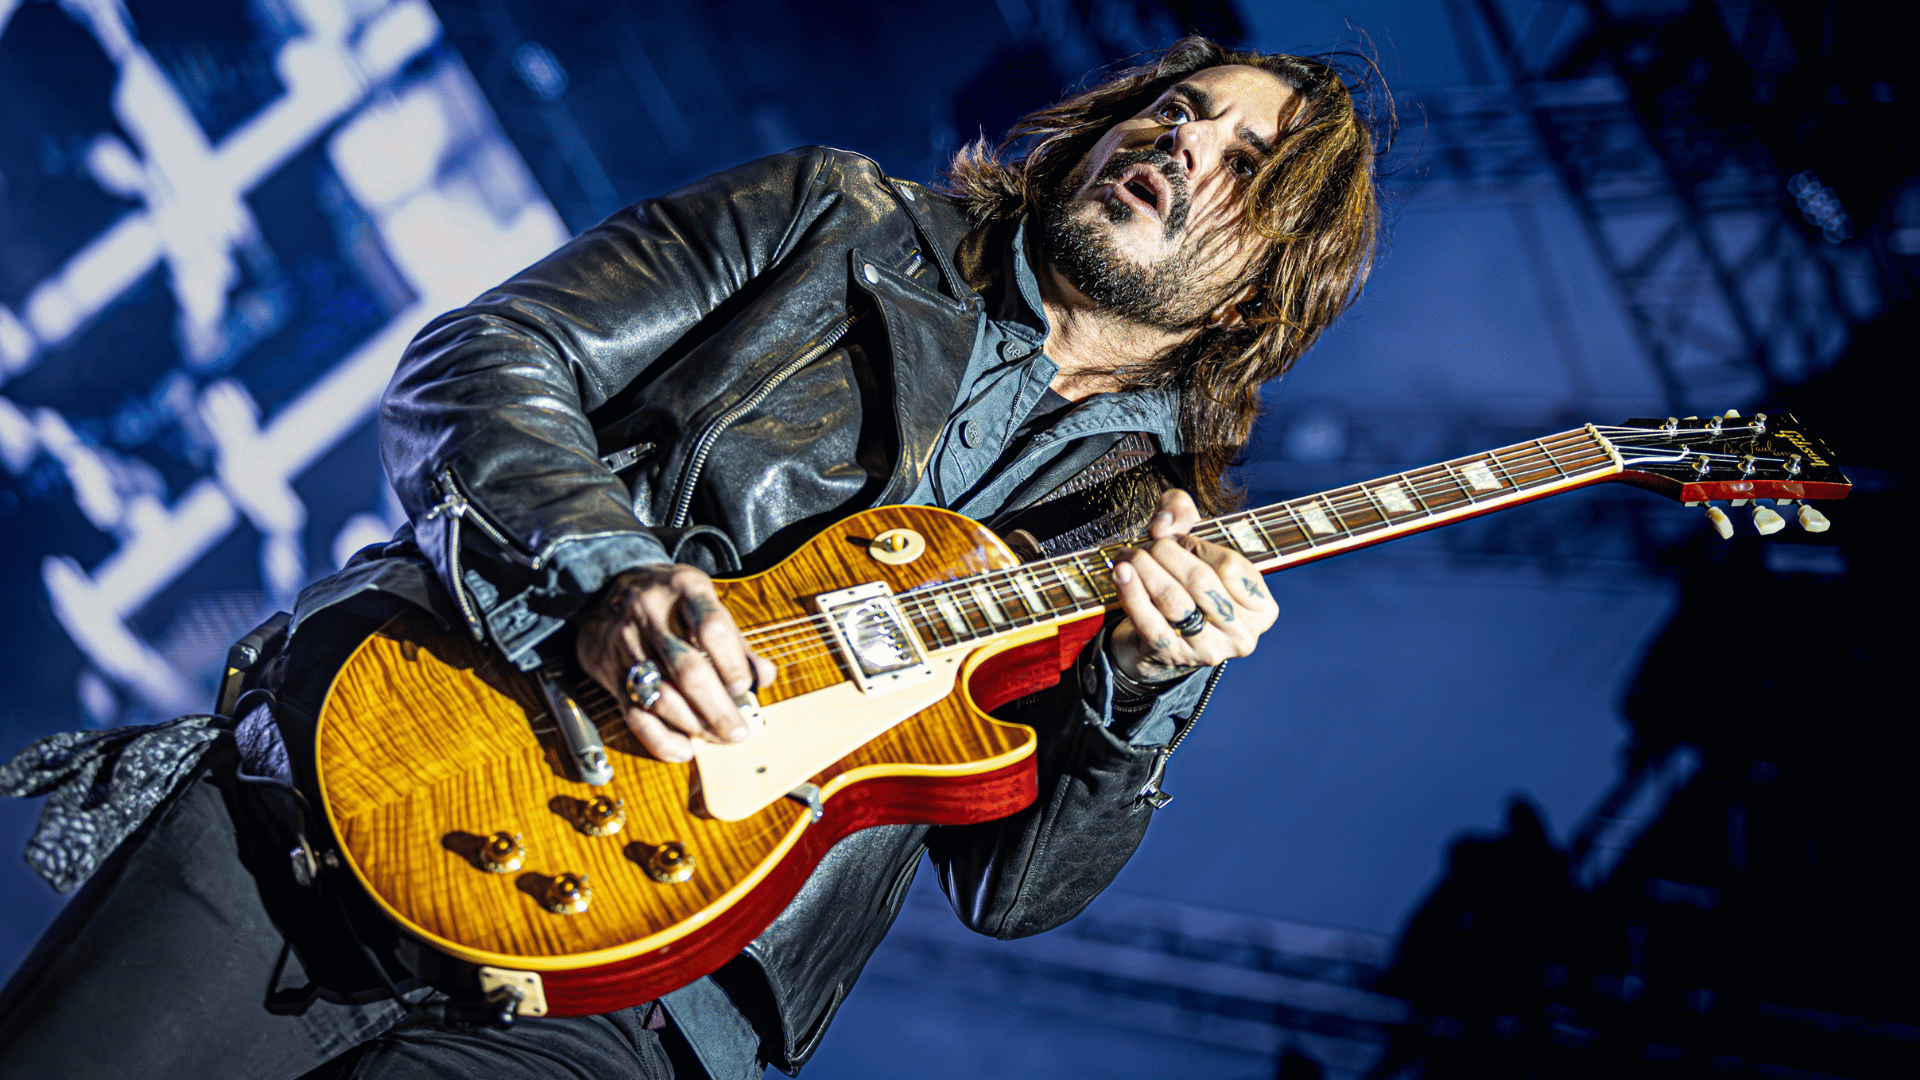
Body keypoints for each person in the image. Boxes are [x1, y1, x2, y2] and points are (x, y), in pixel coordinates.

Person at [0, 35, 1381, 1080]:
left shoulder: (1151, 530)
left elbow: (1015, 891)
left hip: (650, 1014)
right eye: (1175, 111)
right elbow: (484, 359)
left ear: (1267, 284)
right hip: (395, 774)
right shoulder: (838, 219)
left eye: (1244, 168)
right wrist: (605, 567)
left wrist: (1140, 698)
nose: (1178, 144)